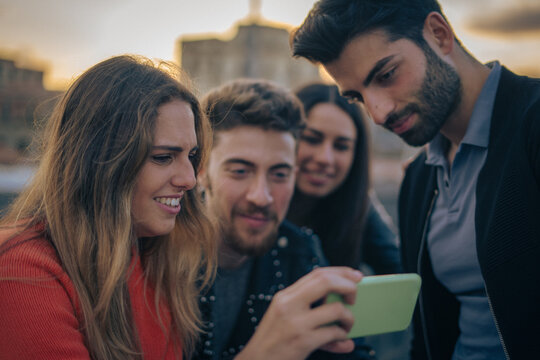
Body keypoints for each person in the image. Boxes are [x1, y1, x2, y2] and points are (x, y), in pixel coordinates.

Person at [291, 0, 540, 359]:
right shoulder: (419, 181)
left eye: (387, 74)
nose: (378, 113)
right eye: (358, 97)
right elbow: (427, 333)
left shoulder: (532, 126)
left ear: (439, 35)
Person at [0, 55, 216, 359]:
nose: (189, 179)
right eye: (163, 157)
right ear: (99, 162)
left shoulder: (154, 258)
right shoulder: (23, 273)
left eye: (191, 156)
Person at [194, 79, 366, 360]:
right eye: (239, 171)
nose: (261, 197)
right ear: (201, 170)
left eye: (279, 174)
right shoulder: (154, 259)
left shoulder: (299, 251)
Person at [287, 82, 401, 274]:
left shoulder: (359, 206)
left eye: (341, 146)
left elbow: (402, 273)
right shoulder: (257, 201)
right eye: (312, 139)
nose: (325, 158)